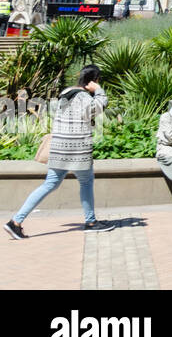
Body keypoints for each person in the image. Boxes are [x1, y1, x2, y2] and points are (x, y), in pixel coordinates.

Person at [4, 66, 115, 239]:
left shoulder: (66, 93)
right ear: (93, 81)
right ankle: (91, 222)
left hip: (59, 146)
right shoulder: (82, 96)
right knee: (86, 182)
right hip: (76, 148)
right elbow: (97, 109)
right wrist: (99, 91)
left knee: (50, 184)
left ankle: (16, 221)